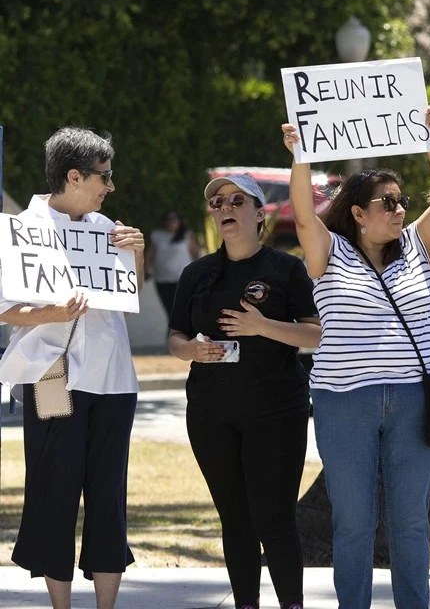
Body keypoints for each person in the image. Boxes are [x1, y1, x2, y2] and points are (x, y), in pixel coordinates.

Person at [280, 106, 430, 609]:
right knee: (354, 522)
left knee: (408, 521)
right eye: (388, 202)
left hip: (413, 399)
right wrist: (300, 156)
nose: (399, 209)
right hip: (344, 401)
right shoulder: (330, 251)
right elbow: (302, 215)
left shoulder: (420, 247)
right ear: (358, 213)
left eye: (402, 201)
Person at [0, 127, 144, 609]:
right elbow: (5, 308)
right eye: (104, 176)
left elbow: (128, 301)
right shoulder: (24, 228)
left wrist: (136, 253)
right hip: (51, 377)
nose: (111, 186)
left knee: (109, 493)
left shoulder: (109, 229)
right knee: (55, 488)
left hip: (114, 380)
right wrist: (50, 314)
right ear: (74, 175)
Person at [167, 173, 321, 609]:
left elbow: (315, 335)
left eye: (237, 200)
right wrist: (192, 351)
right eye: (218, 203)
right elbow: (175, 338)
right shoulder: (196, 273)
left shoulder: (285, 269)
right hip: (212, 415)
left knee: (274, 519)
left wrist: (262, 327)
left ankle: (292, 603)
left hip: (276, 413)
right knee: (234, 520)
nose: (226, 208)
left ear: (259, 212)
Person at [146, 209, 200, 316]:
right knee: (170, 313)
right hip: (162, 281)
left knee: (182, 312)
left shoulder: (187, 236)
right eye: (168, 219)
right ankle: (175, 332)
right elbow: (149, 255)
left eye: (174, 219)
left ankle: (179, 332)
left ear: (179, 221)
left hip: (183, 281)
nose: (171, 221)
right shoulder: (157, 236)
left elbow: (196, 255)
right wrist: (146, 270)